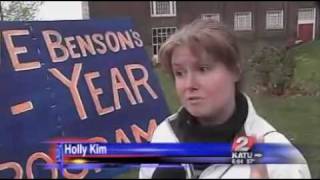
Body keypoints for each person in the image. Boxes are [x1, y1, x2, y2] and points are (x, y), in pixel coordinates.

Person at [139, 18, 311, 179]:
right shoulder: (163, 135)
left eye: (203, 69)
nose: (189, 84)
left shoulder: (281, 159)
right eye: (180, 73)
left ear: (235, 70)